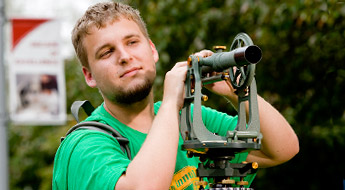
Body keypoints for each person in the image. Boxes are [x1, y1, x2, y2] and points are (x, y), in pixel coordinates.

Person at [52, 2, 299, 190]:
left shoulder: (188, 118)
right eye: (106, 52)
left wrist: (237, 91)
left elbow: (282, 149)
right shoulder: (83, 146)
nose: (125, 56)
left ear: (152, 51)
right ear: (89, 76)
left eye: (132, 42)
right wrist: (171, 102)